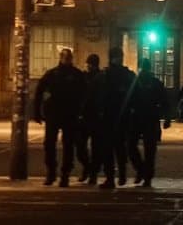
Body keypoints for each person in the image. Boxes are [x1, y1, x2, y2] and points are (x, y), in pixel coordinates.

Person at [33, 48, 86, 187]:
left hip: (68, 114)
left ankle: (64, 174)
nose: (67, 60)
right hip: (55, 114)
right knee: (50, 144)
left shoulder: (75, 75)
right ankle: (52, 172)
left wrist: (81, 113)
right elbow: (39, 91)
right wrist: (37, 112)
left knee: (67, 145)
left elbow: (85, 95)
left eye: (68, 58)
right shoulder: (54, 74)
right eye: (65, 57)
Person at [94, 46, 136, 189]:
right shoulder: (127, 75)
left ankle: (113, 177)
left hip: (109, 116)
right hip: (117, 115)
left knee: (111, 148)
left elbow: (95, 96)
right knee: (117, 147)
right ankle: (118, 176)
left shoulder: (104, 75)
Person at [128, 58, 168, 187]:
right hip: (150, 118)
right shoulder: (155, 83)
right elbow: (164, 101)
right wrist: (166, 117)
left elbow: (128, 101)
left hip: (137, 117)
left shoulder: (134, 82)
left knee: (132, 146)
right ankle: (147, 175)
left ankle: (142, 170)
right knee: (149, 149)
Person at [77, 53, 101, 184]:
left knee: (95, 147)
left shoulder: (100, 78)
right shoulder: (83, 77)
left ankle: (92, 173)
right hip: (84, 115)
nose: (88, 66)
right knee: (80, 146)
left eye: (90, 64)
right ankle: (88, 168)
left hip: (94, 115)